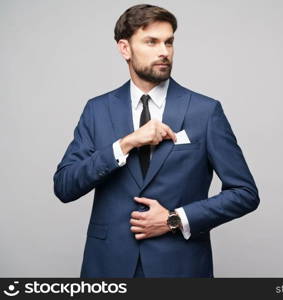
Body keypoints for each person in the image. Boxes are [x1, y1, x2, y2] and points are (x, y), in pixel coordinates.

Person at [53, 4, 260, 278]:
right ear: (124, 49)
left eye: (169, 42)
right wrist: (125, 144)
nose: (164, 51)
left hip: (180, 268)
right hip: (107, 268)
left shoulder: (205, 111)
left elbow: (245, 193)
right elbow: (65, 186)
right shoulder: (97, 110)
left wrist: (174, 219)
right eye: (151, 42)